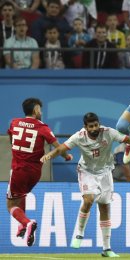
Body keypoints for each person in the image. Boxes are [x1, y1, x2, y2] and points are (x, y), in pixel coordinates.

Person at [40, 112, 130, 257]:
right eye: (91, 126)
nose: (94, 128)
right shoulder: (79, 136)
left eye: (96, 125)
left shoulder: (108, 132)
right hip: (87, 172)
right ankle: (79, 234)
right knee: (88, 200)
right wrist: (50, 155)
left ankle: (106, 248)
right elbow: (61, 148)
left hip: (105, 172)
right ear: (85, 127)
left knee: (105, 207)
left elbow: (127, 139)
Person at [7, 97, 72, 247]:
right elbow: (59, 147)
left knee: (10, 205)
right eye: (40, 109)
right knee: (21, 195)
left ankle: (27, 222)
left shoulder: (14, 123)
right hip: (35, 172)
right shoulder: (42, 127)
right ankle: (22, 225)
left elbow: (12, 142)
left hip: (18, 169)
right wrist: (67, 156)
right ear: (36, 110)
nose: (41, 112)